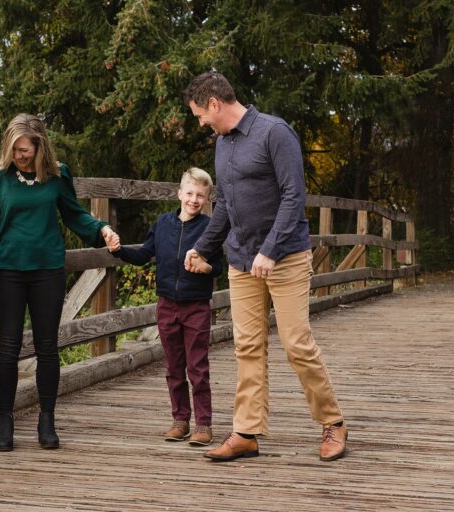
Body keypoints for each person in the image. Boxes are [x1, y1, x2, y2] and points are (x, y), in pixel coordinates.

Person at [182, 72, 347, 462]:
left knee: (296, 344)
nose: (200, 123)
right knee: (247, 346)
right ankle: (246, 432)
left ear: (214, 104)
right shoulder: (222, 145)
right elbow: (223, 205)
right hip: (241, 259)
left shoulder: (275, 133)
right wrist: (203, 248)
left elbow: (294, 195)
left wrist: (271, 249)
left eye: (199, 115)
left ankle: (333, 423)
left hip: (284, 257)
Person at [0, 113, 120, 451]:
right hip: (7, 270)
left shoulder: (56, 175)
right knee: (7, 348)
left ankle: (47, 418)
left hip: (47, 269)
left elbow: (74, 213)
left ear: (41, 146)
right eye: (17, 149)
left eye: (28, 149)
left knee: (47, 346)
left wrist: (102, 229)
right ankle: (5, 421)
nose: (23, 155)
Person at [110, 167, 222, 446]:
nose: (194, 200)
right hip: (167, 305)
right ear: (179, 193)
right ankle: (180, 420)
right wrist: (118, 250)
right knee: (174, 366)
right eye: (190, 193)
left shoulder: (209, 227)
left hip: (196, 306)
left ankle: (203, 424)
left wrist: (205, 267)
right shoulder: (162, 224)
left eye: (201, 195)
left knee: (197, 367)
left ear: (207, 199)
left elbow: (218, 266)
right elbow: (143, 255)